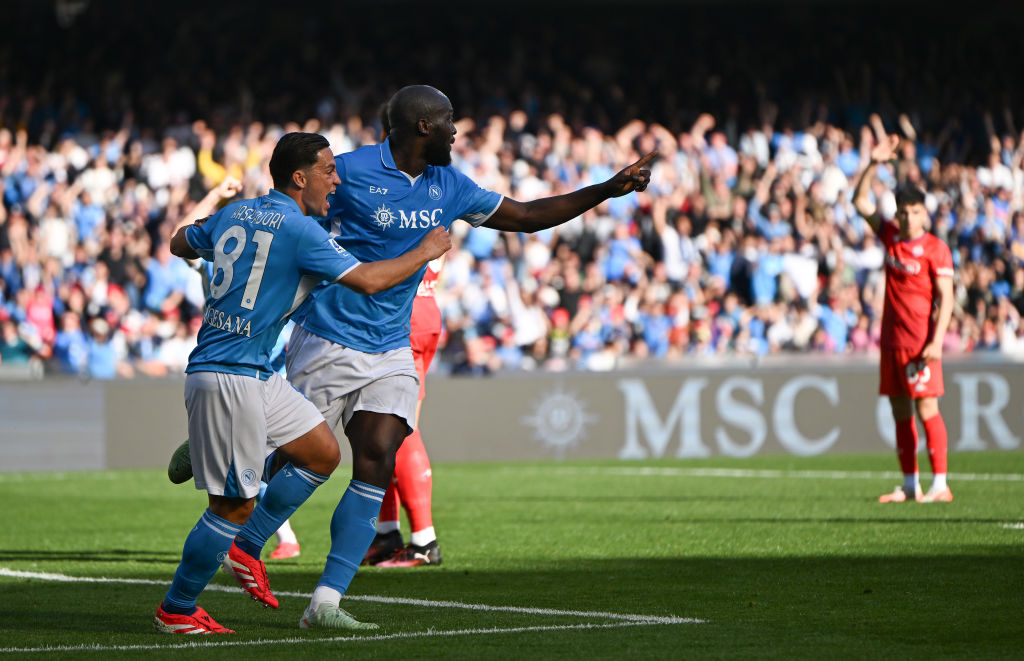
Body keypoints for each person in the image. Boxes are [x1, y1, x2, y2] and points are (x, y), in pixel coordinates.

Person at [281, 85, 653, 630]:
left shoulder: (449, 185)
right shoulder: (349, 169)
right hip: (327, 336)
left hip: (393, 340)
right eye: (449, 120)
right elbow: (286, 209)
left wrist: (606, 190)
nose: (457, 130)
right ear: (423, 127)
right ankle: (228, 467)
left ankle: (329, 600)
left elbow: (526, 215)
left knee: (380, 451)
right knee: (289, 457)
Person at [153, 132, 451, 635]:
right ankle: (177, 609)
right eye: (328, 171)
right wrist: (425, 249)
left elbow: (180, 241)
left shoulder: (238, 212)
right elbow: (370, 281)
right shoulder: (303, 232)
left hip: (257, 373)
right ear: (299, 177)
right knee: (233, 506)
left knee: (321, 453)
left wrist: (206, 227)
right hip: (230, 373)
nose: (337, 180)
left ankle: (241, 532)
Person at [852, 133, 955, 504]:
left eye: (915, 212)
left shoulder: (936, 249)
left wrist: (936, 342)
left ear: (924, 213)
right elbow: (859, 201)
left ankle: (940, 485)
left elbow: (947, 297)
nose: (909, 218)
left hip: (920, 341)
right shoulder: (890, 236)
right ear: (897, 214)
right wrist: (872, 163)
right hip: (891, 340)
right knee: (899, 410)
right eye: (904, 212)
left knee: (927, 407)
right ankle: (911, 485)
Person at [363, 254, 446, 567]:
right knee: (377, 430)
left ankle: (424, 541)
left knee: (399, 429)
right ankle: (387, 534)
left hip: (400, 315)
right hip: (422, 307)